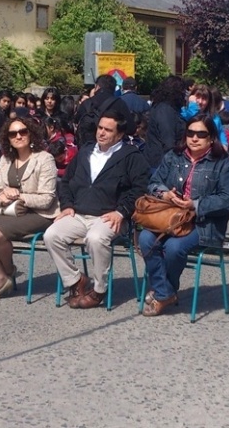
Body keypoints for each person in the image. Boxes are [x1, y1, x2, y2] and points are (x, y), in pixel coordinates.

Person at [43, 110, 149, 309]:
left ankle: (99, 289)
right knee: (51, 235)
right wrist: (66, 205)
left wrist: (121, 211)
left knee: (96, 238)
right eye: (100, 128)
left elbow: (140, 189)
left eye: (108, 130)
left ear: (119, 134)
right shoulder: (85, 151)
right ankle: (75, 280)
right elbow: (66, 181)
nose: (101, 133)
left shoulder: (131, 155)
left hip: (111, 216)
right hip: (79, 213)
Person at [138, 115, 229, 316]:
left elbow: (228, 198)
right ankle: (165, 291)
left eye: (201, 134)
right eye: (190, 133)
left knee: (173, 247)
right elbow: (153, 182)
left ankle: (163, 290)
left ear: (211, 138)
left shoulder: (223, 163)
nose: (194, 138)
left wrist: (195, 204)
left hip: (204, 223)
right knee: (145, 239)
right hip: (170, 217)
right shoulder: (173, 156)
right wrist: (164, 193)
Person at [0, 117, 59, 300]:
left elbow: (47, 199)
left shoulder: (44, 159)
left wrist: (17, 195)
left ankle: (6, 273)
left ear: (31, 133)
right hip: (11, 211)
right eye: (13, 133)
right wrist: (4, 192)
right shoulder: (5, 159)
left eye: (23, 131)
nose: (18, 136)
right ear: (7, 138)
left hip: (39, 213)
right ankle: (2, 275)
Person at [75, 74, 135, 146]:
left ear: (97, 86)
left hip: (87, 148)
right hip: (111, 149)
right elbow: (131, 129)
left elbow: (77, 123)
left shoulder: (86, 103)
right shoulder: (120, 104)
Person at [143, 75, 186, 170]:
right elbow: (168, 140)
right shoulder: (165, 110)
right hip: (161, 163)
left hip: (159, 160)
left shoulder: (165, 108)